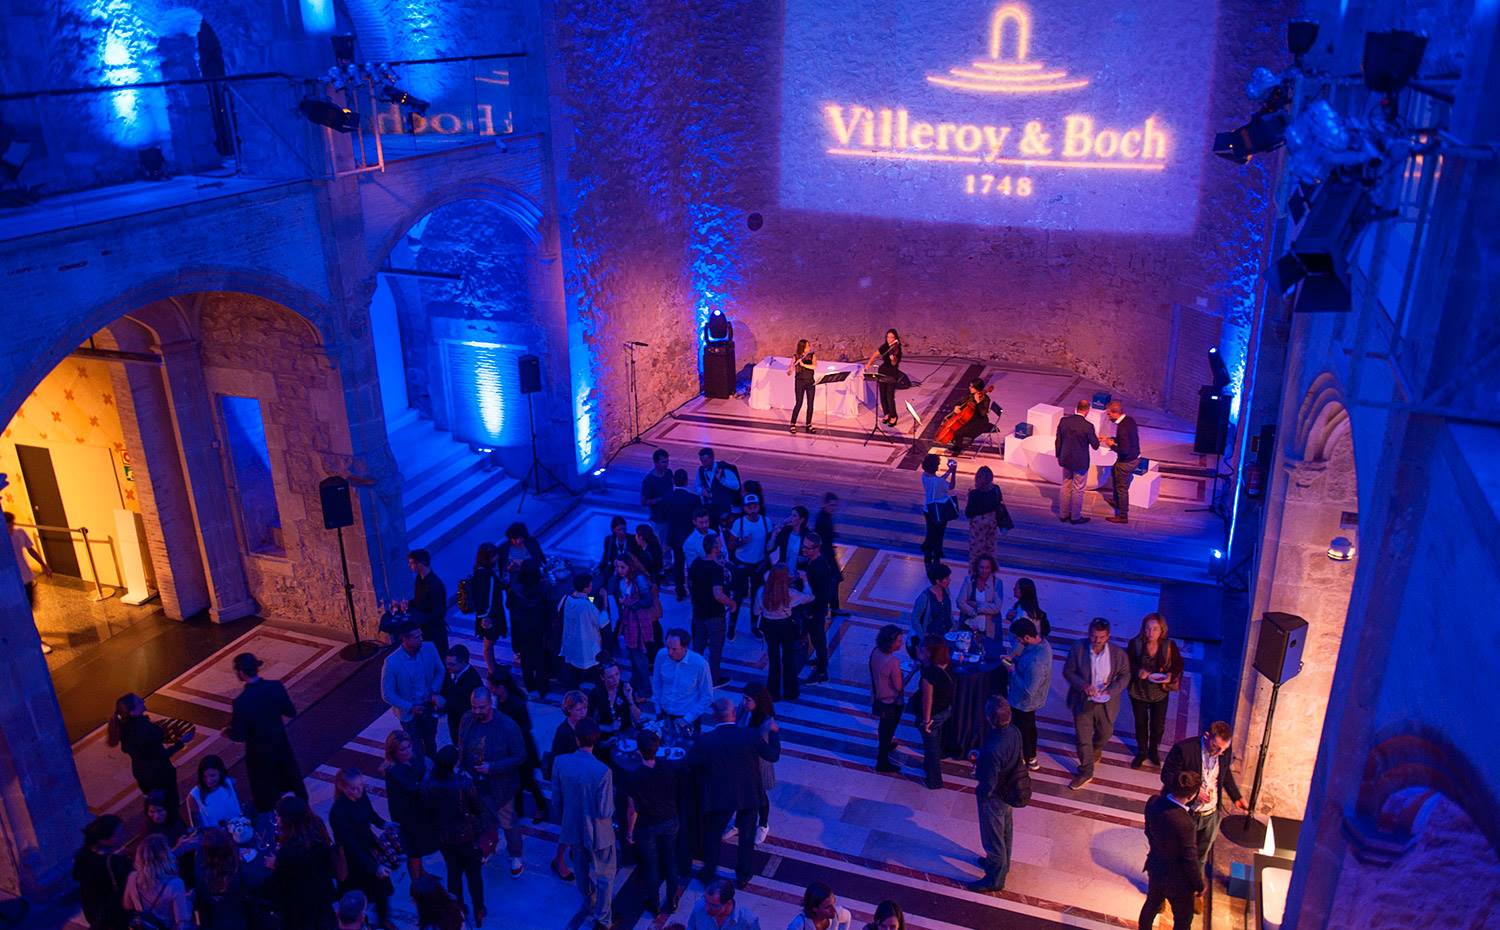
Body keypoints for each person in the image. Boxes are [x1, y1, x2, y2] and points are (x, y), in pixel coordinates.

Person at [689, 697, 781, 888]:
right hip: (749, 795)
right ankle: (743, 876)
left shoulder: (706, 741)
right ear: (733, 714)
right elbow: (772, 755)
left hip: (720, 797)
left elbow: (690, 766)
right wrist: (774, 734)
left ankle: (708, 872)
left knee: (713, 834)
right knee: (746, 838)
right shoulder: (749, 735)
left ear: (715, 717)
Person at [1162, 721, 1248, 908]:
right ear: (1207, 736)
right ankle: (1162, 894)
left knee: (1200, 856)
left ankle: (1194, 892)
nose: (1219, 753)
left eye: (1223, 750)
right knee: (1174, 854)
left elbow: (1224, 776)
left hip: (1210, 816)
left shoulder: (1223, 752)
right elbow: (1166, 776)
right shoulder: (1184, 749)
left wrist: (1236, 797)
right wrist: (1191, 790)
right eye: (1216, 748)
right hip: (1186, 813)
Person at [553, 718, 616, 930]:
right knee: (605, 875)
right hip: (599, 833)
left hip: (573, 827)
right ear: (595, 740)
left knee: (580, 870)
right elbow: (605, 810)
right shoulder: (602, 771)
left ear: (576, 738)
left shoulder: (560, 762)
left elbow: (557, 800)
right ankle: (603, 918)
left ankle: (589, 897)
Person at [459, 686, 528, 878]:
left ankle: (515, 855)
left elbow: (520, 756)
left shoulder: (508, 726)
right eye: (474, 707)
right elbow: (462, 744)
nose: (477, 711)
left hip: (501, 786)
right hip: (474, 783)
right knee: (483, 820)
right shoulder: (467, 719)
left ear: (491, 704)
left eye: (481, 707)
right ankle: (489, 846)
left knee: (508, 821)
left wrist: (493, 767)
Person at [225, 651, 306, 813]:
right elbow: (290, 712)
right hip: (280, 744)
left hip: (258, 753)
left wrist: (226, 732)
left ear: (241, 673)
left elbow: (239, 735)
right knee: (290, 779)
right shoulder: (276, 687)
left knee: (266, 792)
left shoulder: (241, 702)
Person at [422, 745, 492, 926]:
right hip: (466, 836)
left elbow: (427, 810)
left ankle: (458, 907)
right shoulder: (463, 783)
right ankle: (479, 909)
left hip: (444, 838)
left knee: (453, 873)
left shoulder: (429, 783)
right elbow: (478, 808)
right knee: (474, 875)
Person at [1063, 618, 1129, 790]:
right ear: (1088, 634)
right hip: (1083, 701)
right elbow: (1068, 672)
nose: (1097, 641)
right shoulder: (1078, 648)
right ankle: (1086, 771)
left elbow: (1125, 675)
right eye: (1093, 636)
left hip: (1106, 703)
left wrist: (1111, 691)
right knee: (1083, 738)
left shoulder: (1117, 653)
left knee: (1105, 733)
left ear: (1107, 636)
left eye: (1101, 637)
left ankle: (1096, 748)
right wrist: (1083, 685)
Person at [624, 729, 683, 923]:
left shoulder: (635, 776)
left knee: (651, 865)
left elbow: (632, 810)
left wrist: (630, 832)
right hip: (670, 820)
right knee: (671, 859)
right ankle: (673, 900)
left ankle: (655, 904)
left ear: (639, 751)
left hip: (647, 826)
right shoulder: (668, 767)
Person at [968, 696, 1023, 893]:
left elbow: (988, 782)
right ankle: (1000, 865)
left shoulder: (993, 747)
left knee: (993, 838)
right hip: (1009, 789)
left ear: (990, 718)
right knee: (1006, 831)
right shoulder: (1014, 732)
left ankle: (994, 879)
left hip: (995, 797)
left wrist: (982, 794)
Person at [328, 768, 394, 930]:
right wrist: (374, 867)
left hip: (368, 848)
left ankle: (383, 920)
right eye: (354, 788)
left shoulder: (361, 796)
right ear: (342, 787)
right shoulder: (338, 812)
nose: (359, 791)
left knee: (380, 891)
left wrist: (383, 823)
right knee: (358, 894)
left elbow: (370, 812)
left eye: (361, 786)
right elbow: (350, 845)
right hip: (354, 860)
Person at [107, 692, 191, 818]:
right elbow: (161, 755)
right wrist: (181, 742)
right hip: (159, 774)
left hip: (142, 774)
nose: (143, 701)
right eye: (139, 702)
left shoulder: (124, 728)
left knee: (154, 804)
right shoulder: (144, 730)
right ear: (133, 712)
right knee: (169, 804)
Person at [1140, 771, 1206, 930]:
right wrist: (1199, 884)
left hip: (1156, 866)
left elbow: (1148, 830)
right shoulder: (1186, 823)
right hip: (1178, 880)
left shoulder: (1153, 801)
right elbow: (1189, 858)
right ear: (1192, 795)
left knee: (1151, 905)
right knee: (1183, 919)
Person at [488, 669, 549, 821]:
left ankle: (541, 807)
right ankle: (519, 810)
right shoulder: (501, 700)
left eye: (492, 687)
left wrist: (510, 734)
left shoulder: (516, 702)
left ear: (501, 687)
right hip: (512, 749)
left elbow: (527, 725)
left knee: (528, 780)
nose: (491, 690)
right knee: (517, 780)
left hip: (523, 749)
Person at [270, 796, 339, 930]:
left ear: (288, 820)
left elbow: (282, 882)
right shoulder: (317, 827)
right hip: (323, 891)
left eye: (279, 816)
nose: (277, 820)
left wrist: (276, 864)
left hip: (302, 902)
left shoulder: (289, 850)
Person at [1127, 613, 1184, 768]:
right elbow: (1127, 662)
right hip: (1138, 692)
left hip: (1159, 693)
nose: (1150, 633)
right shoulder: (1135, 643)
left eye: (1154, 629)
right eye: (1147, 629)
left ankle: (1153, 750)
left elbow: (1178, 664)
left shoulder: (1168, 646)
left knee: (1158, 725)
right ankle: (1142, 751)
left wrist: (1170, 675)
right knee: (1141, 723)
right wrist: (1138, 670)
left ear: (1161, 630)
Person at [380, 622, 444, 759]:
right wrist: (410, 707)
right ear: (404, 639)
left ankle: (434, 765)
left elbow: (440, 671)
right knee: (414, 745)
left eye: (420, 635)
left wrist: (433, 691)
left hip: (428, 706)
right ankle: (419, 771)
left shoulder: (429, 648)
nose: (421, 638)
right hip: (408, 713)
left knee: (431, 740)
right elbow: (387, 693)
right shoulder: (392, 662)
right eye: (416, 637)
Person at [379, 730, 434, 881]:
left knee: (418, 850)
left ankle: (422, 873)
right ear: (393, 751)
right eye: (403, 749)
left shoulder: (409, 759)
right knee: (414, 852)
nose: (408, 751)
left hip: (416, 811)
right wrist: (427, 777)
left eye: (409, 747)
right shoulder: (394, 769)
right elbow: (413, 787)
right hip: (407, 817)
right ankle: (416, 883)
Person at [194, 826, 272, 930]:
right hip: (240, 922)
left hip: (214, 924)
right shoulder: (240, 874)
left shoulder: (200, 876)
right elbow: (261, 883)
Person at [548, 690, 589, 882]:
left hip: (582, 782)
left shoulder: (585, 725)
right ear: (569, 710)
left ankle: (576, 849)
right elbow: (557, 762)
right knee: (569, 826)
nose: (583, 712)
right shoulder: (563, 732)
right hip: (569, 786)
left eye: (585, 708)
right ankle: (559, 860)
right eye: (579, 709)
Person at [758, 564, 812, 702]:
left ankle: (773, 692)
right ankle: (791, 692)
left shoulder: (762, 592)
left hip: (769, 626)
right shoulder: (790, 594)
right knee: (788, 658)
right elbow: (809, 597)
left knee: (773, 658)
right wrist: (805, 580)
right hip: (785, 626)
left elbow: (756, 611)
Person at [606, 556, 657, 696]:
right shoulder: (620, 579)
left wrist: (629, 602)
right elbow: (610, 588)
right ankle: (636, 682)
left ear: (630, 566)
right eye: (617, 567)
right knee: (633, 653)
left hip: (639, 619)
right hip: (628, 618)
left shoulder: (639, 578)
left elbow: (647, 601)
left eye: (623, 567)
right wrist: (615, 574)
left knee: (638, 654)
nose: (620, 570)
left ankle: (646, 688)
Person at [689, 534, 736, 684]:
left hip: (698, 612)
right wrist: (731, 603)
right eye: (719, 543)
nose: (721, 545)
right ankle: (713, 678)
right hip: (714, 614)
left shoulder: (696, 563)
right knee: (715, 648)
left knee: (698, 645)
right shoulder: (716, 568)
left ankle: (694, 675)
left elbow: (688, 583)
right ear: (715, 548)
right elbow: (718, 593)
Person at [1005, 618, 1051, 771]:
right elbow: (1020, 651)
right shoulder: (1043, 644)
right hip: (1031, 701)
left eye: (1019, 639)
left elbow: (1029, 689)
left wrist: (1012, 672)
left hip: (1024, 702)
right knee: (1029, 728)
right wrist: (1013, 658)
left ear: (1026, 638)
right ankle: (1031, 757)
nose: (1017, 642)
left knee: (1023, 729)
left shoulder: (1035, 662)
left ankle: (1024, 758)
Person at [122, 834, 192, 930]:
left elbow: (127, 905)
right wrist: (189, 901)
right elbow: (181, 922)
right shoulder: (175, 884)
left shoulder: (133, 877)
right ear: (166, 856)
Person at [74, 815, 132, 930]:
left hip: (94, 912)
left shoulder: (84, 855)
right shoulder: (113, 862)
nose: (124, 835)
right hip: (115, 914)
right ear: (104, 840)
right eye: (119, 833)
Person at [727, 494, 773, 640]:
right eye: (749, 506)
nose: (752, 509)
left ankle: (754, 626)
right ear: (745, 508)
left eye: (755, 506)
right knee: (738, 595)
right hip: (742, 564)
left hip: (758, 565)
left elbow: (770, 543)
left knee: (756, 596)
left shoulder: (766, 522)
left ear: (759, 507)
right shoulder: (739, 523)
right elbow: (730, 544)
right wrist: (741, 542)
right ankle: (732, 625)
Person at [794, 532, 837, 686]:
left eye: (807, 548)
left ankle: (821, 671)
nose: (804, 550)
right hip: (814, 609)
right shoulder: (814, 561)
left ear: (816, 548)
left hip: (815, 611)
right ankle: (820, 660)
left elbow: (820, 593)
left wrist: (811, 612)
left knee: (818, 639)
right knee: (817, 638)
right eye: (803, 547)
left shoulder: (819, 566)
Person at [738, 681, 778, 845]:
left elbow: (771, 752)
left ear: (758, 701)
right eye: (744, 698)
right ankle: (737, 824)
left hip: (758, 767)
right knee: (740, 794)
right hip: (742, 763)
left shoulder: (767, 723)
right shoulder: (743, 710)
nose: (743, 702)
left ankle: (763, 824)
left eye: (747, 699)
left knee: (761, 796)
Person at [6, 510, 51, 650]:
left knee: (29, 609)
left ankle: (28, 635)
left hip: (26, 578)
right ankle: (36, 641)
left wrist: (44, 565)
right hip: (12, 582)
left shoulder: (19, 533)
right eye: (8, 525)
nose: (11, 527)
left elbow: (30, 550)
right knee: (22, 612)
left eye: (12, 524)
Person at [916, 639, 956, 790]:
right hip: (945, 709)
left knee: (931, 746)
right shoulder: (947, 664)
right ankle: (929, 765)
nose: (918, 650)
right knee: (935, 741)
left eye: (922, 648)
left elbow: (928, 699)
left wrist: (926, 722)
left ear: (929, 653)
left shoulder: (929, 673)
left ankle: (934, 780)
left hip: (933, 714)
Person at [507, 559, 551, 697]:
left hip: (522, 627)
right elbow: (547, 607)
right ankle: (542, 687)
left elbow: (509, 605)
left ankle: (530, 685)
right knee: (540, 657)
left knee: (525, 657)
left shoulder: (515, 588)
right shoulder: (543, 587)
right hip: (539, 626)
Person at [652, 629, 715, 722]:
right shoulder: (662, 655)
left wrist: (688, 718)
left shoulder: (700, 664)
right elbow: (657, 683)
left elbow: (707, 695)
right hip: (664, 713)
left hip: (687, 716)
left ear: (685, 647)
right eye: (668, 647)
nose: (669, 652)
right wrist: (658, 710)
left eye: (674, 649)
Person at [560, 572, 609, 688]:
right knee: (595, 670)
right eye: (590, 585)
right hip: (587, 646)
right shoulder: (587, 606)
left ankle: (572, 691)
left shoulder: (567, 599)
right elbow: (601, 622)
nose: (592, 587)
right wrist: (605, 601)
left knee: (574, 672)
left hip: (571, 643)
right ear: (586, 588)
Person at [1055, 400, 1100, 524]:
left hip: (1066, 459)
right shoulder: (1088, 426)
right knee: (1078, 489)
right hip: (1080, 462)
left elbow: (1058, 441)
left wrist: (1059, 456)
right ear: (1087, 410)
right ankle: (1075, 517)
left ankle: (1063, 515)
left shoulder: (1064, 421)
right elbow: (1095, 445)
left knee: (1065, 486)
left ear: (1076, 408)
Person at [869, 625, 905, 774]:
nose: (901, 644)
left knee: (883, 727)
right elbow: (898, 686)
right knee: (888, 728)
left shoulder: (875, 652)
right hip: (890, 701)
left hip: (877, 696)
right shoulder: (893, 662)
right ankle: (882, 761)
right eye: (898, 641)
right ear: (890, 642)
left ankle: (885, 745)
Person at [467, 542, 506, 676]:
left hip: (485, 615)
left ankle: (493, 665)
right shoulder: (486, 575)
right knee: (489, 643)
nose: (497, 558)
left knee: (489, 642)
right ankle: (492, 670)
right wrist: (486, 617)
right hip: (489, 616)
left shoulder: (479, 570)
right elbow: (488, 598)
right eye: (494, 556)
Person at [964, 467, 1012, 569]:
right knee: (990, 550)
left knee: (976, 552)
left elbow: (969, 512)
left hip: (978, 524)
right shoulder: (996, 489)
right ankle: (989, 573)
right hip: (992, 521)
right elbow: (999, 502)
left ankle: (975, 574)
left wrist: (968, 498)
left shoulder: (974, 493)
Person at [1102, 400, 1142, 525]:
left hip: (1126, 461)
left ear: (1115, 413)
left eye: (1109, 414)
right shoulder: (1129, 420)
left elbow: (1124, 450)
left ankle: (1123, 516)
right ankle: (1117, 502)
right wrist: (1110, 439)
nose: (1108, 417)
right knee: (1115, 474)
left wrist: (1111, 445)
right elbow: (1125, 440)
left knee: (1121, 488)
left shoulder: (1122, 427)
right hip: (1134, 458)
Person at [663, 469, 700, 599]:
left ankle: (680, 590)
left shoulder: (668, 498)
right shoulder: (694, 499)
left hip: (674, 536)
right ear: (686, 481)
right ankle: (694, 589)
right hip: (689, 536)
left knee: (678, 563)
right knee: (693, 563)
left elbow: (665, 517)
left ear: (674, 480)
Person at [407, 549, 450, 659]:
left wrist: (418, 618)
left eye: (411, 563)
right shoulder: (419, 579)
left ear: (420, 564)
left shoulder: (435, 585)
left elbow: (439, 612)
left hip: (435, 632)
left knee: (439, 660)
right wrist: (407, 604)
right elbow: (420, 601)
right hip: (423, 629)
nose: (409, 565)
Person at [919, 453, 957, 567]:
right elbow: (951, 486)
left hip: (928, 508)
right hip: (940, 509)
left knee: (930, 531)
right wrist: (954, 472)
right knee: (939, 533)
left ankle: (927, 553)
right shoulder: (938, 482)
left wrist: (948, 472)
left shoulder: (924, 476)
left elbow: (938, 481)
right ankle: (936, 555)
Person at [440, 644, 483, 745]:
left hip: (464, 723)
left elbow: (462, 706)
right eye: (447, 663)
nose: (448, 667)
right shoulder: (454, 671)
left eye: (452, 664)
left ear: (463, 662)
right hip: (454, 720)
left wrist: (443, 704)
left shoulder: (472, 680)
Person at [908, 564, 953, 658]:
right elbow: (915, 617)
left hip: (947, 635)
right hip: (932, 639)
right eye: (946, 578)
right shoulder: (925, 597)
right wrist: (923, 637)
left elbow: (948, 611)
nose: (949, 580)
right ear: (938, 581)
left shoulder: (946, 591)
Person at [187, 755, 242, 830]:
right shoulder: (194, 796)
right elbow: (197, 828)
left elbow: (240, 807)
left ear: (221, 772)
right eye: (204, 777)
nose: (208, 781)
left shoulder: (230, 782)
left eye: (212, 775)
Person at [957, 554, 1003, 639]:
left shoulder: (997, 583)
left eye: (987, 568)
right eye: (981, 567)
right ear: (977, 568)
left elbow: (996, 607)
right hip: (968, 625)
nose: (984, 570)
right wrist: (973, 612)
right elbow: (960, 602)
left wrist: (976, 606)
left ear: (991, 568)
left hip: (988, 627)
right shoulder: (969, 580)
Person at [588, 660, 642, 733]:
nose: (615, 679)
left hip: (626, 730)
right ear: (603, 677)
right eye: (610, 677)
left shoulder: (625, 687)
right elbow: (589, 723)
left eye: (617, 674)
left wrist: (630, 699)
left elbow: (637, 717)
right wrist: (608, 728)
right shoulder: (595, 694)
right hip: (604, 733)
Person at [687, 878, 762, 930]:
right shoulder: (700, 906)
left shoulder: (748, 920)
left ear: (728, 903)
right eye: (706, 901)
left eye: (713, 905)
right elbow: (691, 927)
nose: (706, 908)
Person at [864, 328, 903, 427]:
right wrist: (868, 364)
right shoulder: (885, 346)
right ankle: (887, 413)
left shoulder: (897, 348)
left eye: (892, 337)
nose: (889, 339)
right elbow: (875, 354)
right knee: (882, 395)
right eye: (888, 337)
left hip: (892, 374)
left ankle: (894, 416)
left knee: (890, 397)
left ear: (895, 338)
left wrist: (892, 358)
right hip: (882, 371)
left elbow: (894, 363)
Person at [813, 493, 844, 616]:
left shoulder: (826, 517)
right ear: (825, 504)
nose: (833, 508)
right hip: (826, 556)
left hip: (827, 554)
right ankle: (831, 608)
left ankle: (833, 607)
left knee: (833, 581)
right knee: (832, 581)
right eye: (831, 505)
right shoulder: (823, 519)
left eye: (835, 505)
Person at [944, 378, 993, 456]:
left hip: (979, 423)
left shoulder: (986, 399)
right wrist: (957, 406)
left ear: (977, 388)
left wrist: (978, 402)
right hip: (970, 420)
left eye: (971, 386)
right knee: (955, 428)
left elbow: (982, 413)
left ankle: (958, 449)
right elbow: (961, 401)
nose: (969, 388)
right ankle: (957, 445)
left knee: (958, 432)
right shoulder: (971, 395)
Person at [642, 448, 676, 547]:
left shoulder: (669, 473)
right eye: (663, 462)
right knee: (659, 545)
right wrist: (660, 499)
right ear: (656, 463)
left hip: (669, 515)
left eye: (667, 461)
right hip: (658, 519)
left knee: (669, 544)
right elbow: (644, 502)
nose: (666, 464)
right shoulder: (649, 480)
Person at [697, 447, 742, 523]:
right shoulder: (701, 470)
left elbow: (737, 486)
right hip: (712, 508)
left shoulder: (724, 468)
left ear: (712, 458)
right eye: (702, 461)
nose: (703, 463)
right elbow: (697, 486)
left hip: (727, 508)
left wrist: (722, 481)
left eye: (705, 461)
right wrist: (702, 491)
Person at [1003, 578, 1051, 647]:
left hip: (1026, 652)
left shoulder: (1024, 614)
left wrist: (1013, 655)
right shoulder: (1021, 606)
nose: (1014, 589)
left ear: (1023, 591)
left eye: (1017, 587)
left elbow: (1023, 641)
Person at [786, 881, 852, 930]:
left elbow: (848, 916)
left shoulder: (837, 915)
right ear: (815, 908)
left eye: (834, 903)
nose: (833, 910)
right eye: (827, 907)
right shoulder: (799, 924)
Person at [788, 338, 818, 434]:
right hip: (799, 383)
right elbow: (790, 369)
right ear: (803, 347)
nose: (810, 347)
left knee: (810, 404)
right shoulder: (796, 356)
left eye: (809, 346)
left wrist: (803, 364)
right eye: (808, 346)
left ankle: (808, 424)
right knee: (799, 403)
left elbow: (814, 366)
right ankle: (793, 423)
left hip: (810, 383)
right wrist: (790, 370)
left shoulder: (812, 355)